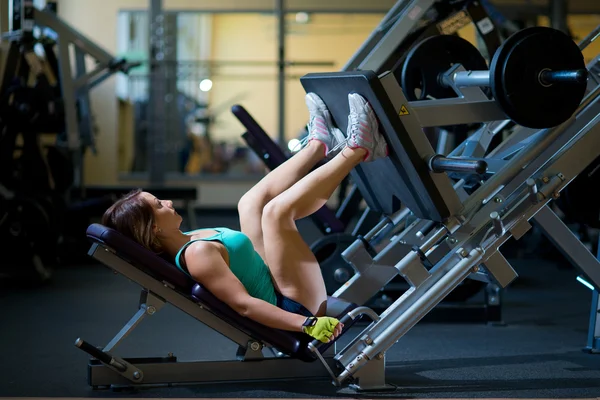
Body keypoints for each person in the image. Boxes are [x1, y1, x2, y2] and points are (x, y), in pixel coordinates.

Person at [102, 93, 389, 344]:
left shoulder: (190, 239)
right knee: (277, 213)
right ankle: (359, 149)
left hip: (278, 284)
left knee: (250, 204)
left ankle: (319, 145)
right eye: (158, 205)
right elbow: (244, 306)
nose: (168, 202)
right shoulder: (198, 254)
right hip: (295, 307)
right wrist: (307, 324)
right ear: (153, 228)